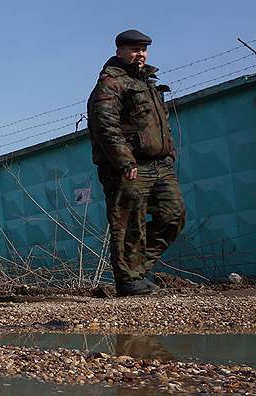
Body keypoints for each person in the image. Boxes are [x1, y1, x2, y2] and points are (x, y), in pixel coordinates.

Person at [87, 29, 186, 296]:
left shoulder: (147, 83)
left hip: (161, 164)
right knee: (130, 224)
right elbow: (105, 126)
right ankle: (130, 282)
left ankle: (136, 271)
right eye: (133, 49)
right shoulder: (110, 84)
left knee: (173, 215)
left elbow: (160, 125)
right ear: (119, 51)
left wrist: (169, 153)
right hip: (130, 167)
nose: (140, 54)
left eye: (143, 50)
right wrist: (124, 161)